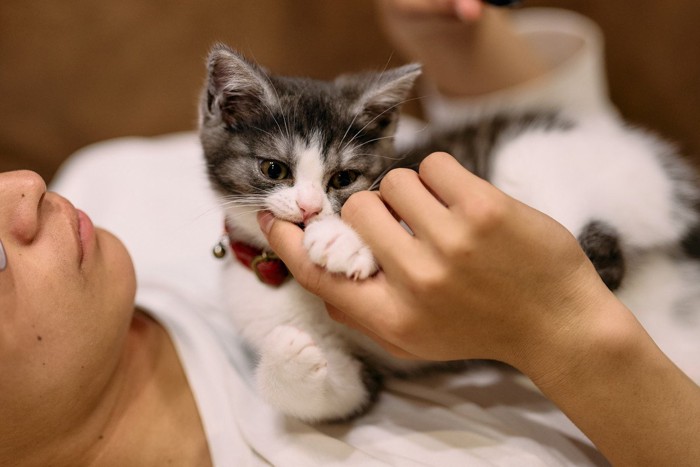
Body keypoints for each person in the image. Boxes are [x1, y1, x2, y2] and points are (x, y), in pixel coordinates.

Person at [1, 2, 698, 467]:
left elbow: (558, 153)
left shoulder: (104, 186)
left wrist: (461, 44)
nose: (22, 188)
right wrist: (559, 328)